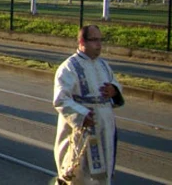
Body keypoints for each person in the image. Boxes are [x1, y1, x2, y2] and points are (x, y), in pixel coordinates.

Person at [53, 25, 124, 185]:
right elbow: (60, 99)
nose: (99, 45)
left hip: (104, 129)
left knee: (103, 174)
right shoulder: (69, 67)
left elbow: (115, 84)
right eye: (94, 40)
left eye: (100, 40)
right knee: (79, 176)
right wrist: (81, 115)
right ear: (81, 41)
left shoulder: (103, 65)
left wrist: (114, 90)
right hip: (82, 131)